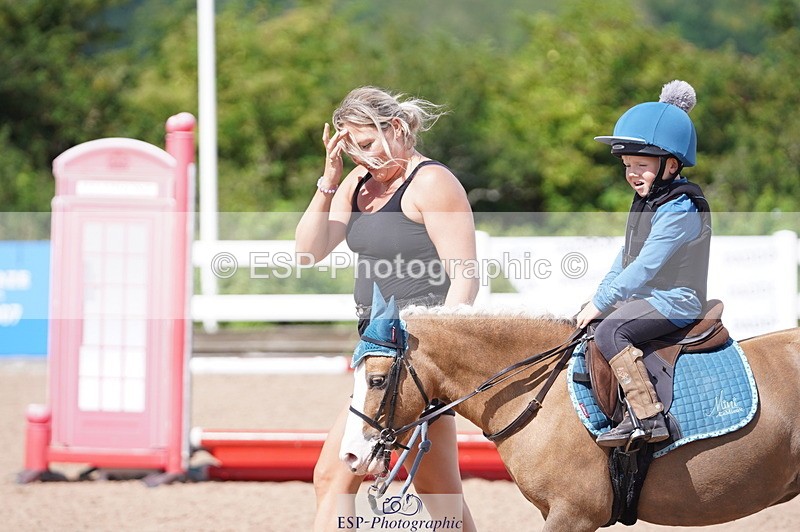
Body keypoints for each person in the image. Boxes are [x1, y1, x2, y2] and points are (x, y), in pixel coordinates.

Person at [295, 86, 479, 531]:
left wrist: (436, 359)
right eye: (350, 146)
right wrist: (329, 180)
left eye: (366, 143)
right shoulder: (357, 184)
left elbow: (466, 279)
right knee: (436, 495)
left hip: (418, 356)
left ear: (395, 129)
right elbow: (307, 251)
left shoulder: (432, 182)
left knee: (342, 478)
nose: (360, 156)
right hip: (376, 351)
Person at [575, 80, 712, 448]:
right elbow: (626, 258)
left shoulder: (680, 206)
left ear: (670, 165)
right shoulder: (649, 200)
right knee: (589, 321)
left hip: (676, 299)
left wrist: (603, 303)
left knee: (610, 332)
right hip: (651, 295)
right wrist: (597, 298)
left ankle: (647, 417)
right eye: (627, 165)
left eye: (641, 164)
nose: (632, 173)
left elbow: (645, 267)